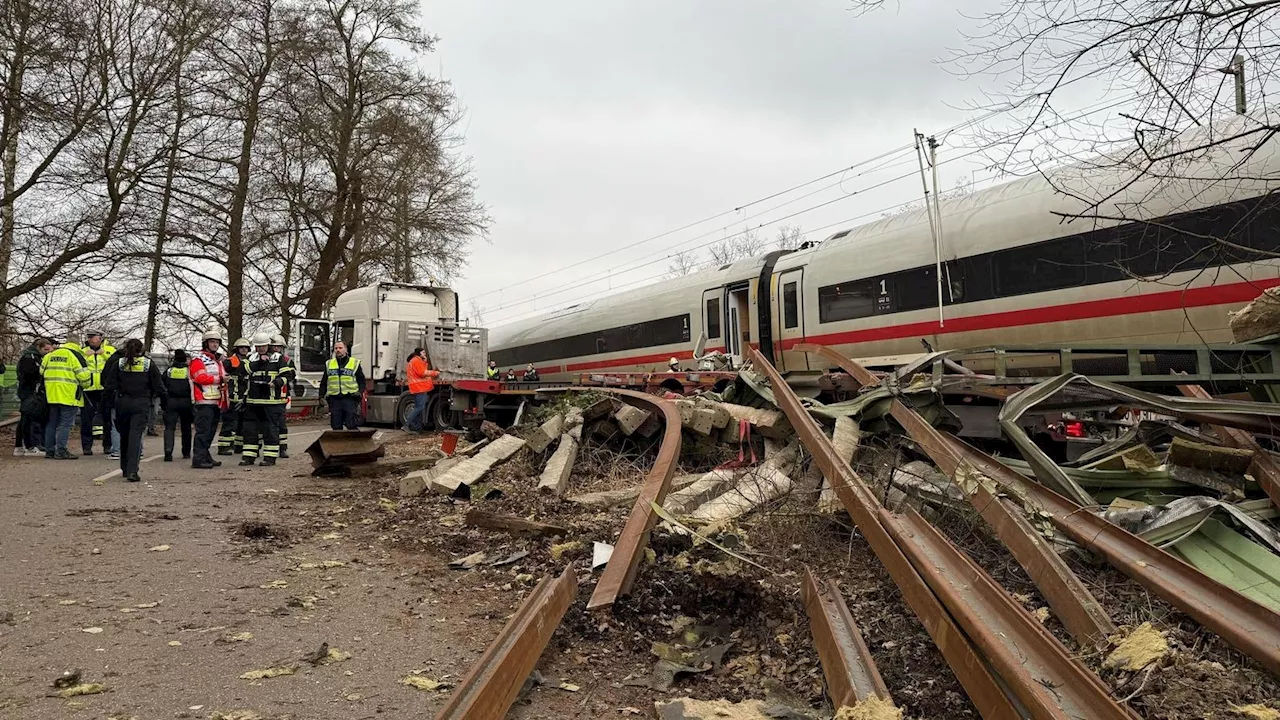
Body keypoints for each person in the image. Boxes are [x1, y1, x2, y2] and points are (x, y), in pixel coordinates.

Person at [102, 339, 166, 482]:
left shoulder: (118, 363)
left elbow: (109, 385)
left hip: (122, 403)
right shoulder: (148, 364)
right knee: (135, 436)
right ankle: (132, 471)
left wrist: (106, 405)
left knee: (124, 436)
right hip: (141, 403)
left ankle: (125, 468)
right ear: (142, 349)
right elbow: (159, 386)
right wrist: (165, 404)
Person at [41, 337, 92, 459]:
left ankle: (49, 450)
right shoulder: (76, 356)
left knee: (52, 423)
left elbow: (41, 371)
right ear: (77, 345)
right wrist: (86, 385)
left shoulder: (50, 355)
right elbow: (84, 377)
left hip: (51, 395)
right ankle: (61, 450)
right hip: (69, 395)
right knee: (65, 424)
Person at [241, 333, 287, 466]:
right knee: (250, 430)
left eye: (263, 346)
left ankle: (270, 457)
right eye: (258, 346)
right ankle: (248, 457)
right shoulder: (250, 357)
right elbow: (243, 370)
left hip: (271, 402)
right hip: (253, 401)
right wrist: (260, 362)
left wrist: (277, 382)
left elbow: (286, 375)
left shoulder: (278, 358)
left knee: (270, 430)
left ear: (269, 345)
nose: (261, 348)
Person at [188, 327, 227, 469]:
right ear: (206, 343)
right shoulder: (199, 359)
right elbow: (199, 377)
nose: (215, 345)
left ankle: (205, 455)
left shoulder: (218, 360)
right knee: (203, 431)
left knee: (210, 431)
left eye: (217, 342)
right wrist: (220, 379)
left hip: (216, 400)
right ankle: (198, 459)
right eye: (212, 342)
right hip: (203, 400)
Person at [79, 329, 117, 458]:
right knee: (86, 419)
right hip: (88, 389)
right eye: (88, 337)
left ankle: (107, 445)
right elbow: (77, 365)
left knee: (107, 418)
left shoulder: (110, 350)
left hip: (104, 388)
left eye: (93, 337)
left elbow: (116, 362)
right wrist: (86, 356)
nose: (90, 339)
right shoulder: (82, 351)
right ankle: (86, 447)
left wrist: (104, 354)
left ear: (100, 338)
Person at [15, 337, 53, 456]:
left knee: (26, 419)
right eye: (46, 349)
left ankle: (21, 446)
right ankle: (28, 446)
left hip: (31, 392)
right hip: (29, 392)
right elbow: (27, 374)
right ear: (39, 348)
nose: (48, 352)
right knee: (28, 420)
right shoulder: (29, 358)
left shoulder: (35, 357)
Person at [320, 341, 366, 430]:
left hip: (350, 398)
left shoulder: (354, 363)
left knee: (351, 424)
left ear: (346, 350)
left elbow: (361, 381)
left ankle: (354, 443)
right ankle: (338, 444)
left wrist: (359, 392)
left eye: (340, 348)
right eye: (336, 348)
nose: (338, 350)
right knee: (336, 425)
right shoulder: (329, 364)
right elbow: (324, 381)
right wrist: (321, 396)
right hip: (334, 399)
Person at [219, 338, 251, 455]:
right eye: (241, 347)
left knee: (242, 423)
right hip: (231, 397)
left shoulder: (249, 362)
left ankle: (239, 446)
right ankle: (224, 446)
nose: (244, 349)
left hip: (244, 397)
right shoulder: (229, 362)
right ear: (236, 349)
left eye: (246, 347)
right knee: (229, 422)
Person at [162, 349, 194, 462]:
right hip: (186, 402)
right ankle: (186, 452)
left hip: (171, 401)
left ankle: (168, 452)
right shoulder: (189, 371)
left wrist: (164, 401)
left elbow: (162, 385)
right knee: (186, 427)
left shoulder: (169, 371)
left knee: (170, 428)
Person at [269, 334, 295, 458]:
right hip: (268, 395)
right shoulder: (267, 360)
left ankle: (282, 448)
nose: (276, 349)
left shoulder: (288, 361)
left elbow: (292, 375)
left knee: (281, 423)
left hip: (283, 395)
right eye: (274, 347)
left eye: (279, 347)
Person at [403, 348, 439, 432]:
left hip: (417, 387)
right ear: (419, 353)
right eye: (423, 352)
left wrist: (425, 362)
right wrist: (435, 373)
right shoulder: (416, 360)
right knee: (419, 407)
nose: (425, 353)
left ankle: (417, 428)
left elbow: (421, 370)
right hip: (420, 387)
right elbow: (422, 373)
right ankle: (407, 425)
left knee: (418, 407)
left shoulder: (414, 360)